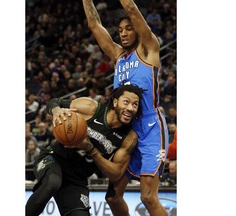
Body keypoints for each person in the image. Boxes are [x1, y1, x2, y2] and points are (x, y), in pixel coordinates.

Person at [82, 0, 169, 215]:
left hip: (150, 129)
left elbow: (130, 7)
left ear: (138, 30)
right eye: (120, 30)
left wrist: (133, 16)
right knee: (112, 197)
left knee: (148, 197)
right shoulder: (118, 56)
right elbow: (94, 25)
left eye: (129, 28)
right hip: (127, 132)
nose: (123, 33)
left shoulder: (149, 48)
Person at [25, 84, 143, 216]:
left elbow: (116, 174)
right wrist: (56, 110)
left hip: (77, 178)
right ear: (115, 102)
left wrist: (91, 150)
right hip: (54, 158)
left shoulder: (129, 137)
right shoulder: (91, 108)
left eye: (135, 105)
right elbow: (55, 102)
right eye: (126, 102)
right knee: (52, 183)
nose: (130, 108)